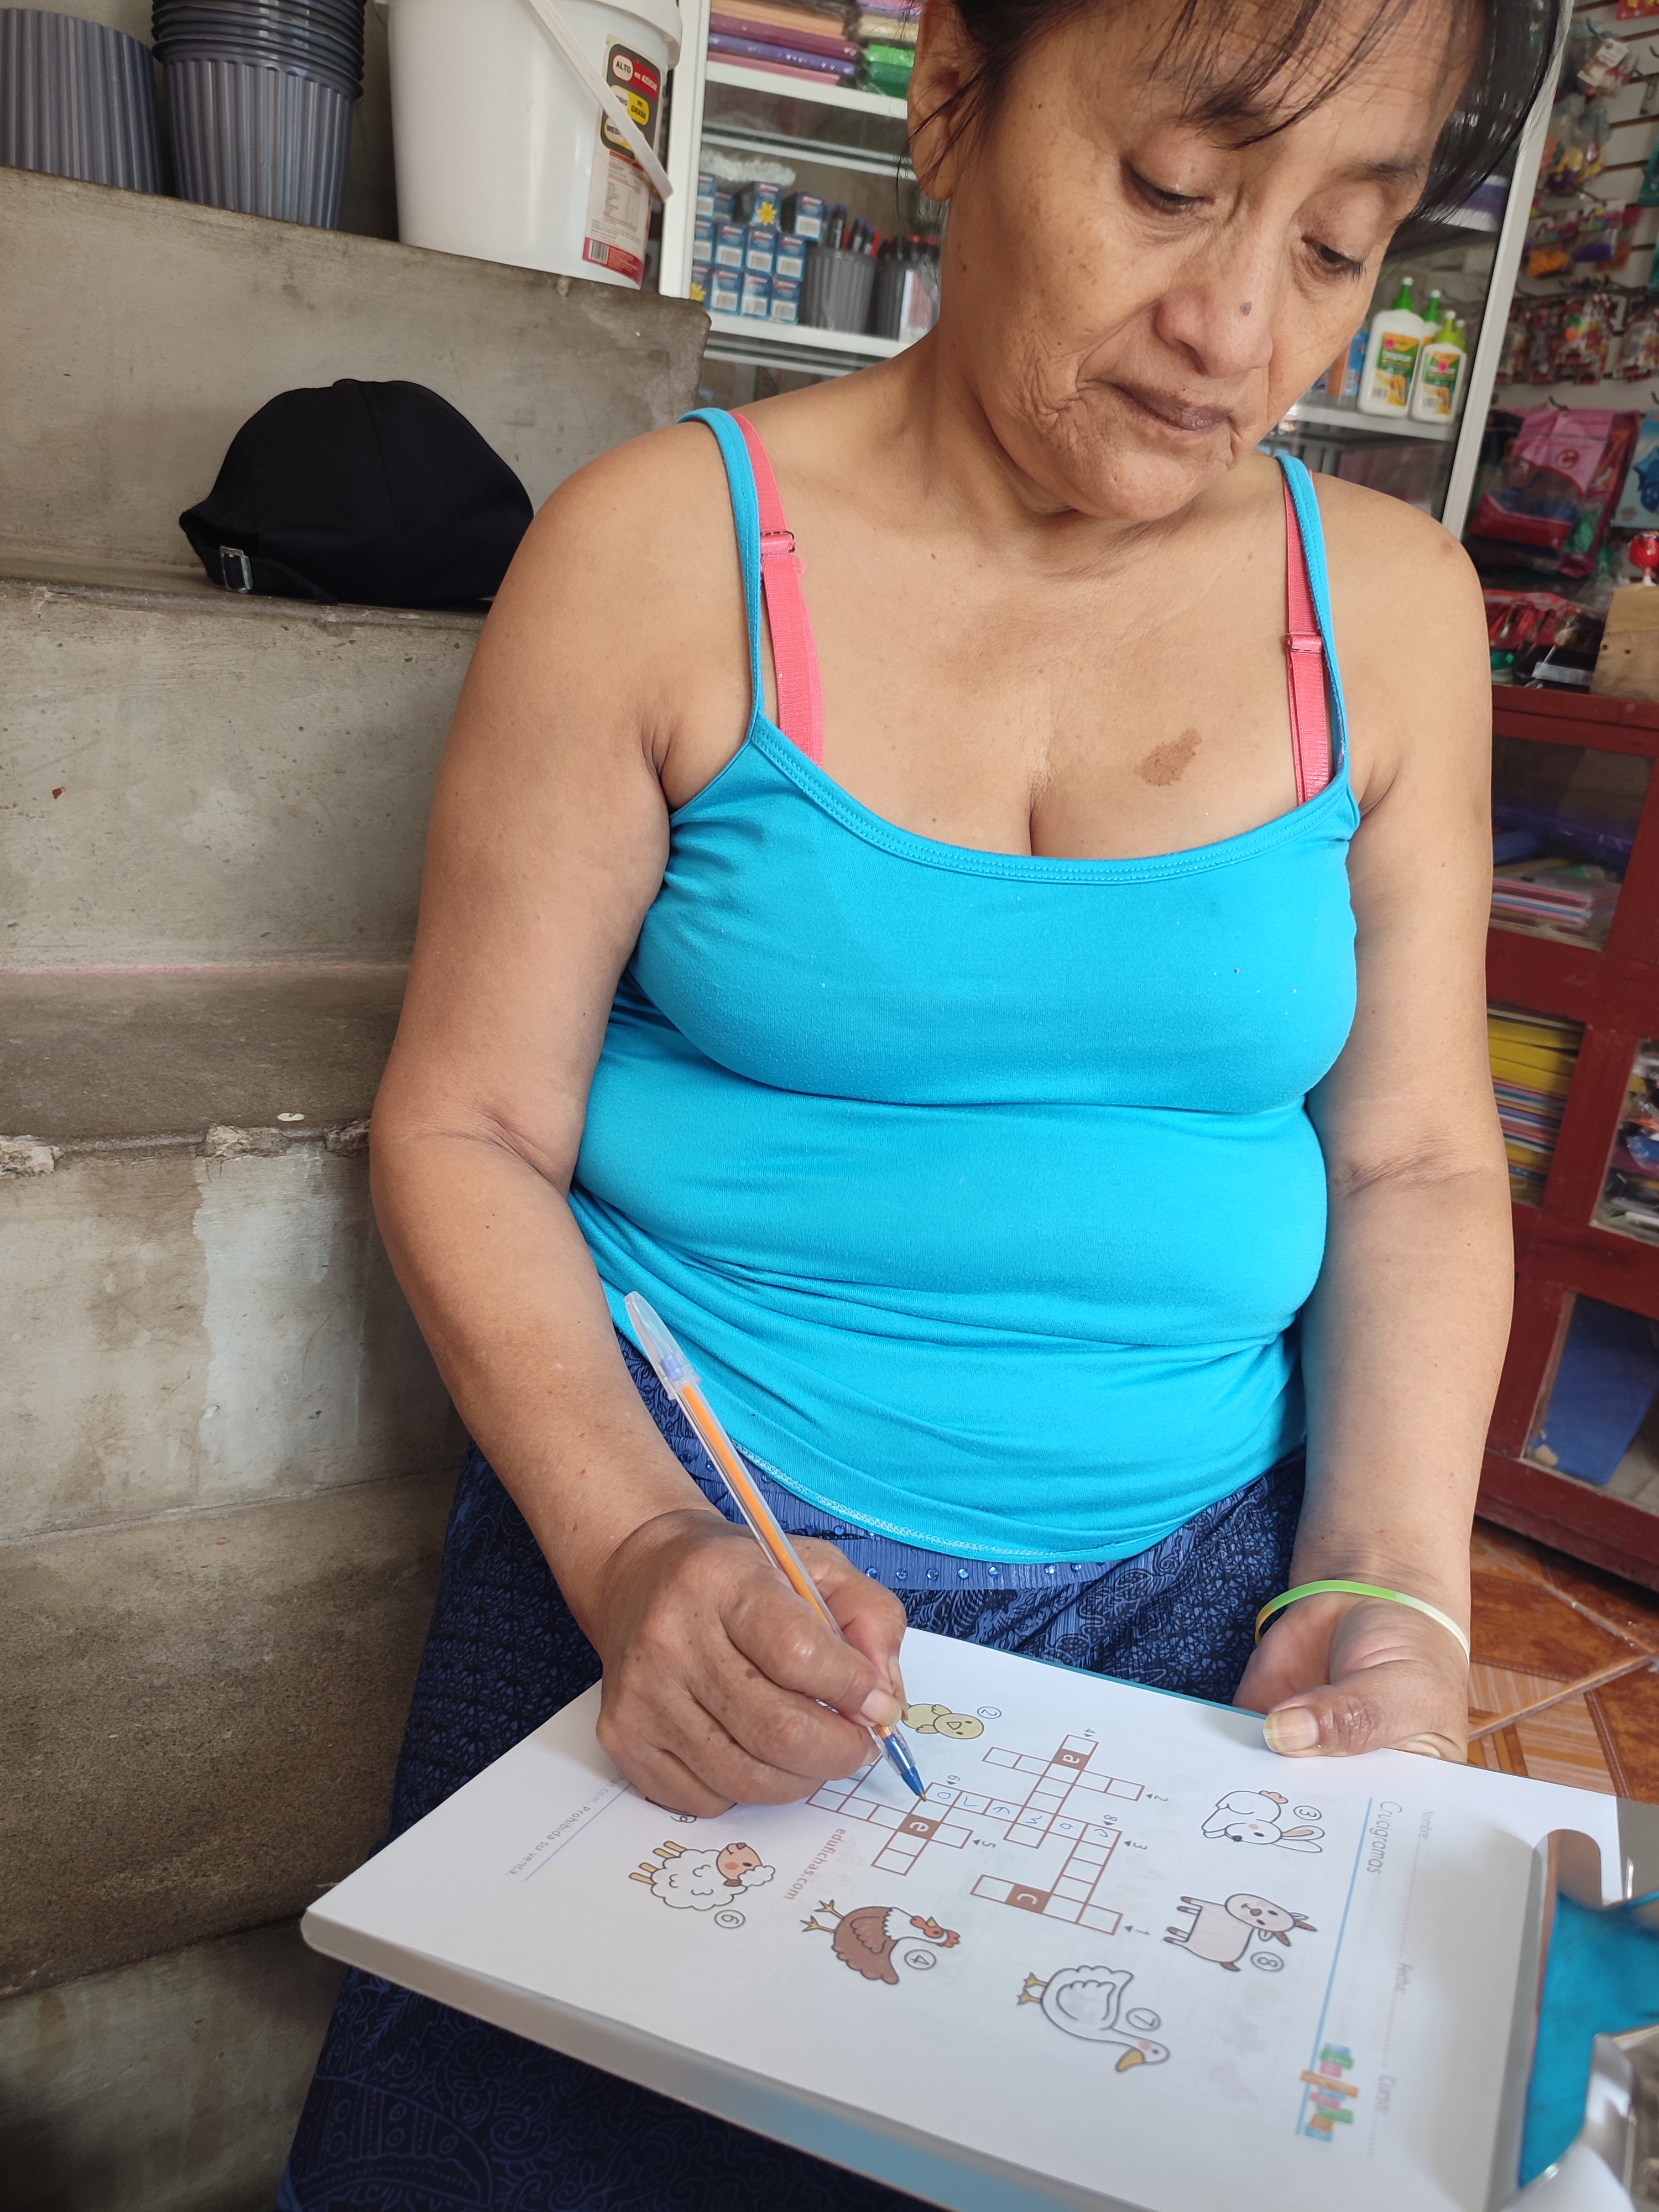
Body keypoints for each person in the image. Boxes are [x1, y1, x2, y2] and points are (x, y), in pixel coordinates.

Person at [282, 0, 1559, 2202]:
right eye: (1171, 189)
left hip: (1195, 1599)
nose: (1239, 326)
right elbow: (468, 1123)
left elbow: (1423, 1155)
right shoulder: (656, 558)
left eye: (1340, 246)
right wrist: (637, 1544)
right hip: (707, 1544)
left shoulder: (1395, 614)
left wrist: (1386, 1582)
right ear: (954, 97)